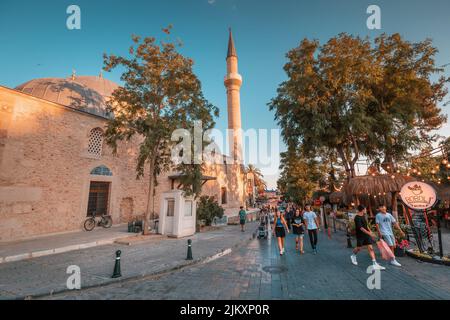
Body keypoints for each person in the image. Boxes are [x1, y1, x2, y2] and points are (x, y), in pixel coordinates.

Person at [350, 205, 386, 270]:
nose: (366, 210)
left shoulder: (363, 216)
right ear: (362, 210)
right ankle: (353, 255)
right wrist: (369, 233)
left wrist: (370, 231)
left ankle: (374, 263)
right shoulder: (357, 218)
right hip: (360, 235)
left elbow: (366, 225)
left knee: (371, 248)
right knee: (359, 248)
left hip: (366, 235)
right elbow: (361, 228)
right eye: (365, 209)